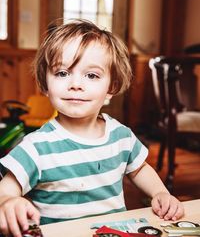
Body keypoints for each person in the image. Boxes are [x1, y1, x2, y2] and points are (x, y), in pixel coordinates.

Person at [0, 19, 184, 237]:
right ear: (45, 84)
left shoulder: (121, 136)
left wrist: (160, 192)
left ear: (110, 88)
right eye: (62, 73)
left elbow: (139, 168)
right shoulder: (36, 146)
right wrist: (8, 201)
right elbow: (8, 186)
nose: (76, 84)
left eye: (91, 75)